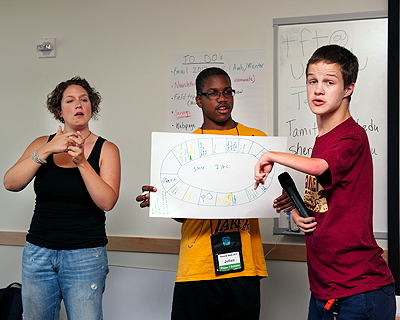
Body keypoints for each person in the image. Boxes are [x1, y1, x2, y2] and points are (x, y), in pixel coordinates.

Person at [136, 67, 292, 320]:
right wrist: (164, 201)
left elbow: (272, 195)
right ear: (199, 100)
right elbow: (184, 216)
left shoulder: (259, 141)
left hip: (244, 268)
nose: (222, 98)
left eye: (227, 91)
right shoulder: (183, 149)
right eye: (213, 93)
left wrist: (283, 199)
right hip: (198, 267)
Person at [254, 45, 395, 319]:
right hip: (323, 289)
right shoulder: (322, 141)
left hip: (358, 291)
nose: (318, 90)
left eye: (329, 82)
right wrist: (296, 211)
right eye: (312, 81)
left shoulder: (352, 136)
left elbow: (318, 167)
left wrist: (270, 154)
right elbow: (325, 205)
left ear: (348, 88)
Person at [3, 76, 121, 320]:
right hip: (38, 253)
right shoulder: (41, 143)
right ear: (59, 110)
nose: (78, 104)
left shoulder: (107, 149)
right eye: (70, 100)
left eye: (84, 99)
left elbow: (107, 201)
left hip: (85, 255)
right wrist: (47, 150)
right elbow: (10, 183)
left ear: (91, 107)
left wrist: (81, 162)